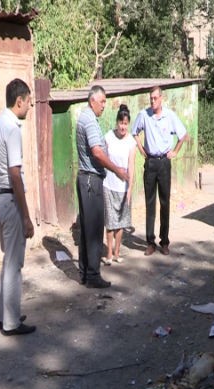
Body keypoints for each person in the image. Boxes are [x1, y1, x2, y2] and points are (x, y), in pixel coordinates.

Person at [0, 78, 36, 336]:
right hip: (11, 199)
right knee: (14, 264)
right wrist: (27, 217)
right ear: (19, 101)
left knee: (9, 262)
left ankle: (7, 315)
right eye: (29, 102)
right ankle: (11, 323)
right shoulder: (12, 128)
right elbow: (14, 174)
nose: (30, 106)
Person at [76, 85, 128, 288]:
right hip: (91, 180)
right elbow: (97, 152)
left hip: (87, 178)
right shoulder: (88, 120)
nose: (104, 106)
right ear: (92, 101)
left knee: (87, 229)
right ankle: (92, 274)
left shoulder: (87, 117)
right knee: (94, 228)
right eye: (102, 101)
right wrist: (117, 170)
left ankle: (85, 273)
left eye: (105, 102)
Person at [132, 86, 188, 256]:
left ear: (161, 98)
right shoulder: (144, 115)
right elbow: (134, 133)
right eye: (151, 98)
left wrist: (175, 151)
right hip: (150, 163)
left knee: (165, 203)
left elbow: (183, 134)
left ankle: (164, 241)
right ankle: (150, 242)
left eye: (155, 98)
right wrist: (142, 151)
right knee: (150, 203)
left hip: (164, 163)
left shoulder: (169, 116)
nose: (153, 101)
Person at [102, 104, 136, 264]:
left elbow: (132, 166)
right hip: (108, 185)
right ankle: (108, 254)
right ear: (117, 122)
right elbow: (103, 158)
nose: (123, 126)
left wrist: (130, 189)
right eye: (121, 123)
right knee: (110, 222)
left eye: (125, 123)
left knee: (120, 223)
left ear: (128, 124)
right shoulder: (108, 137)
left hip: (123, 188)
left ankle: (117, 253)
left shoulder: (131, 142)